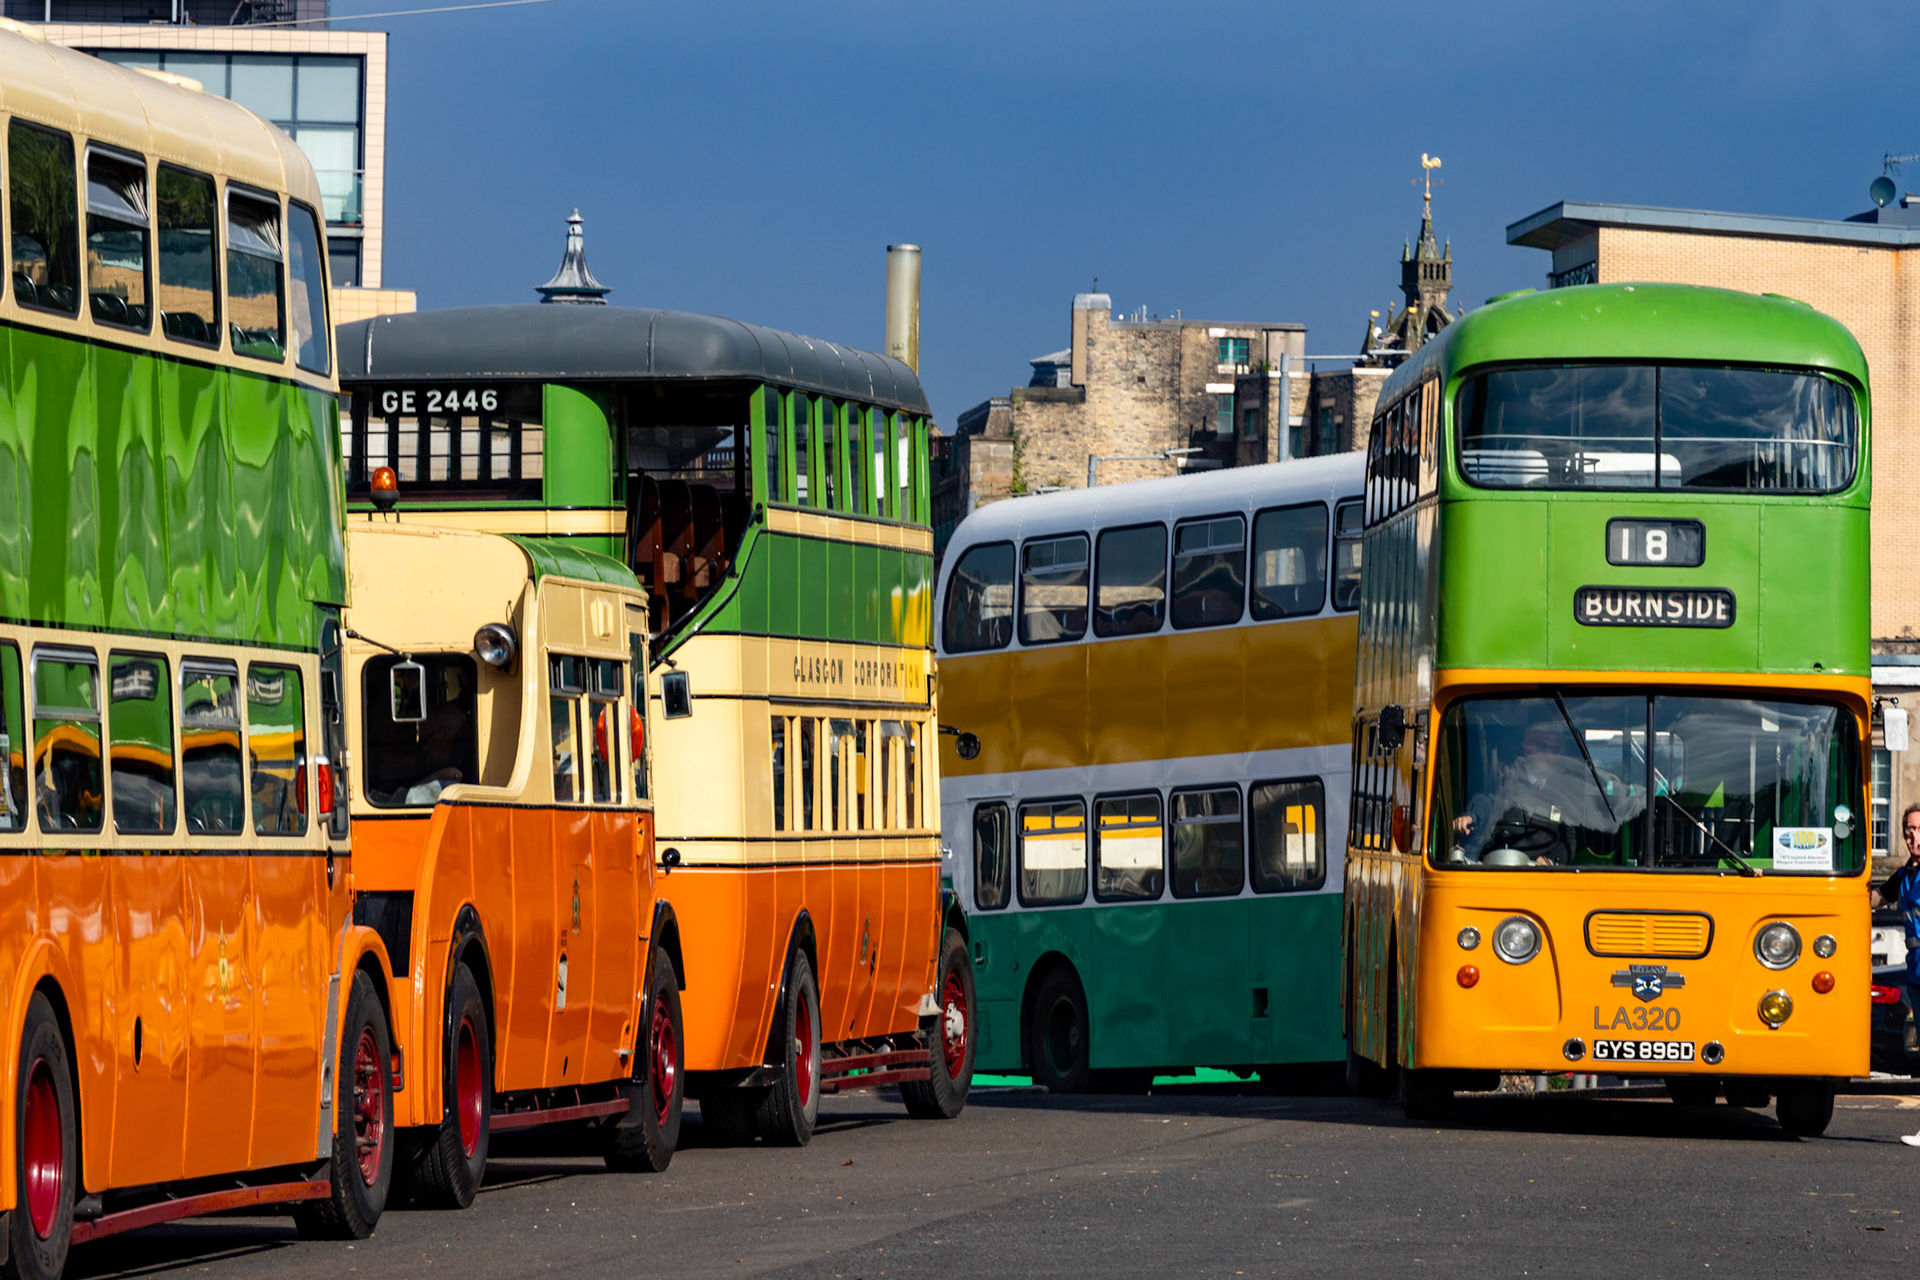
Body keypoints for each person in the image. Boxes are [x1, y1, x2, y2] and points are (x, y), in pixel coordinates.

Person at [1451, 715, 1638, 865]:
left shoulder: (1565, 792)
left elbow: (1569, 839)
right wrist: (1471, 816)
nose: (1546, 754)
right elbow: (1487, 800)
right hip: (1498, 865)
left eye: (1553, 749)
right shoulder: (1507, 777)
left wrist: (1552, 861)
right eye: (1540, 746)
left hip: (1540, 872)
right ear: (1525, 746)